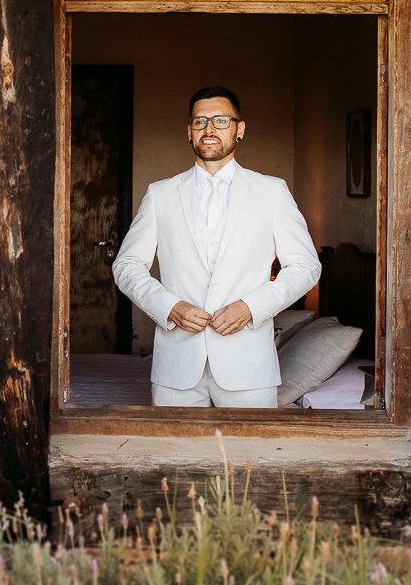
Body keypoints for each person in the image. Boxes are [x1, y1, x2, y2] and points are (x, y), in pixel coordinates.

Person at [111, 86, 321, 408]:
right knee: (175, 458)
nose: (209, 130)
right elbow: (126, 266)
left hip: (249, 368)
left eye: (221, 120)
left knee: (250, 458)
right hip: (176, 369)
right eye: (200, 122)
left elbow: (306, 266)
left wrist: (251, 308)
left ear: (240, 129)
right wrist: (169, 307)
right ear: (189, 131)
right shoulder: (160, 195)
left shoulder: (272, 192)